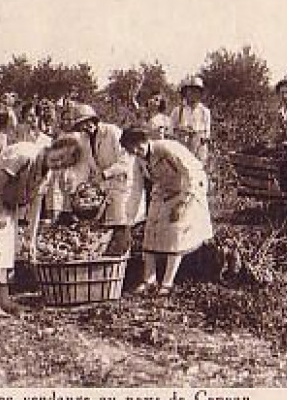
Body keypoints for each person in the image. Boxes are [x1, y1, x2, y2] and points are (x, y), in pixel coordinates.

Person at [0, 135, 81, 317]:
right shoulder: (25, 153)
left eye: (63, 164)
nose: (58, 163)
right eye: (60, 156)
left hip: (8, 202)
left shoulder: (46, 173)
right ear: (55, 147)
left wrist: (30, 237)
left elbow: (36, 204)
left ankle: (4, 299)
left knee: (7, 246)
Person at [120, 127, 213, 297]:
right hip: (162, 192)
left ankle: (167, 283)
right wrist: (129, 219)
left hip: (187, 190)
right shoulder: (138, 160)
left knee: (175, 232)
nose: (135, 151)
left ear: (145, 141)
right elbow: (135, 189)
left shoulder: (167, 148)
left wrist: (183, 204)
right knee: (150, 232)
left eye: (138, 146)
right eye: (131, 148)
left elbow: (192, 173)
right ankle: (149, 280)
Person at [69, 104, 146, 255]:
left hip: (125, 185)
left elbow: (126, 160)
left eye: (88, 122)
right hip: (106, 189)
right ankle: (118, 263)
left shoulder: (112, 132)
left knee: (123, 227)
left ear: (94, 119)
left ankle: (126, 265)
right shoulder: (84, 140)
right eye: (81, 124)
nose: (86, 126)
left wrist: (106, 173)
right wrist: (79, 188)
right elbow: (85, 166)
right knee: (109, 229)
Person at [169, 76, 212, 164]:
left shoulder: (205, 112)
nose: (192, 94)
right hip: (181, 150)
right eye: (190, 91)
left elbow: (207, 134)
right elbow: (170, 132)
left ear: (200, 94)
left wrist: (199, 136)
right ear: (185, 93)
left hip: (198, 152)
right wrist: (181, 131)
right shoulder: (177, 111)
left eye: (196, 91)